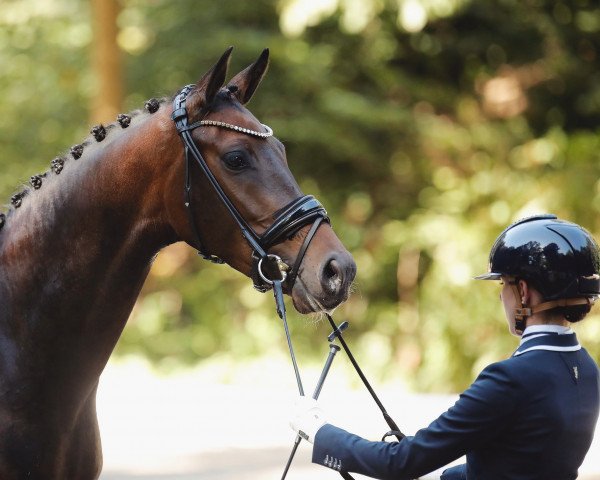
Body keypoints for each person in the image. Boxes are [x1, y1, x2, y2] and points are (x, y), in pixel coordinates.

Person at [290, 214, 600, 480]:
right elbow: (520, 462)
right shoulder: (587, 369)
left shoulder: (510, 378)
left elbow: (399, 463)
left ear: (522, 291)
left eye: (503, 284)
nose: (500, 296)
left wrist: (319, 431)